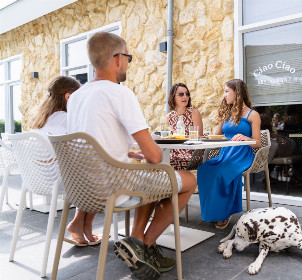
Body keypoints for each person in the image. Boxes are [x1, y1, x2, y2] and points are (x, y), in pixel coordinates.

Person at [66, 32, 196, 279]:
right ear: (117, 59)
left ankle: (138, 241)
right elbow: (155, 155)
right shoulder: (120, 93)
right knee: (186, 180)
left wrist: (127, 150)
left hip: (81, 191)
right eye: (128, 57)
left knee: (150, 175)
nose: (128, 63)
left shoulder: (77, 97)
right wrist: (148, 151)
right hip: (113, 189)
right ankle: (142, 243)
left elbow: (90, 142)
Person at [28, 76, 103, 246]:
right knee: (103, 178)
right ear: (69, 97)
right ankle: (83, 224)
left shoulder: (42, 118)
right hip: (58, 179)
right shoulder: (65, 118)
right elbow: (84, 148)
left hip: (38, 178)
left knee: (92, 173)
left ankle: (79, 224)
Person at [197, 79, 261, 229]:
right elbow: (216, 135)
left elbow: (257, 143)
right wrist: (205, 136)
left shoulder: (253, 115)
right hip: (226, 153)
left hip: (242, 154)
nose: (224, 95)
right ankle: (214, 210)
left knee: (220, 173)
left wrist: (247, 138)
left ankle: (225, 212)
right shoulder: (227, 113)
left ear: (237, 93)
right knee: (205, 169)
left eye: (227, 91)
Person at [165, 83, 203, 169]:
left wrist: (182, 137)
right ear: (173, 97)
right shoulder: (169, 117)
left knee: (169, 162)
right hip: (173, 151)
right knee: (157, 161)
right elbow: (167, 138)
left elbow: (200, 136)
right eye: (181, 94)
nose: (185, 96)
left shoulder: (194, 112)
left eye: (187, 94)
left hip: (191, 152)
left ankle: (176, 181)